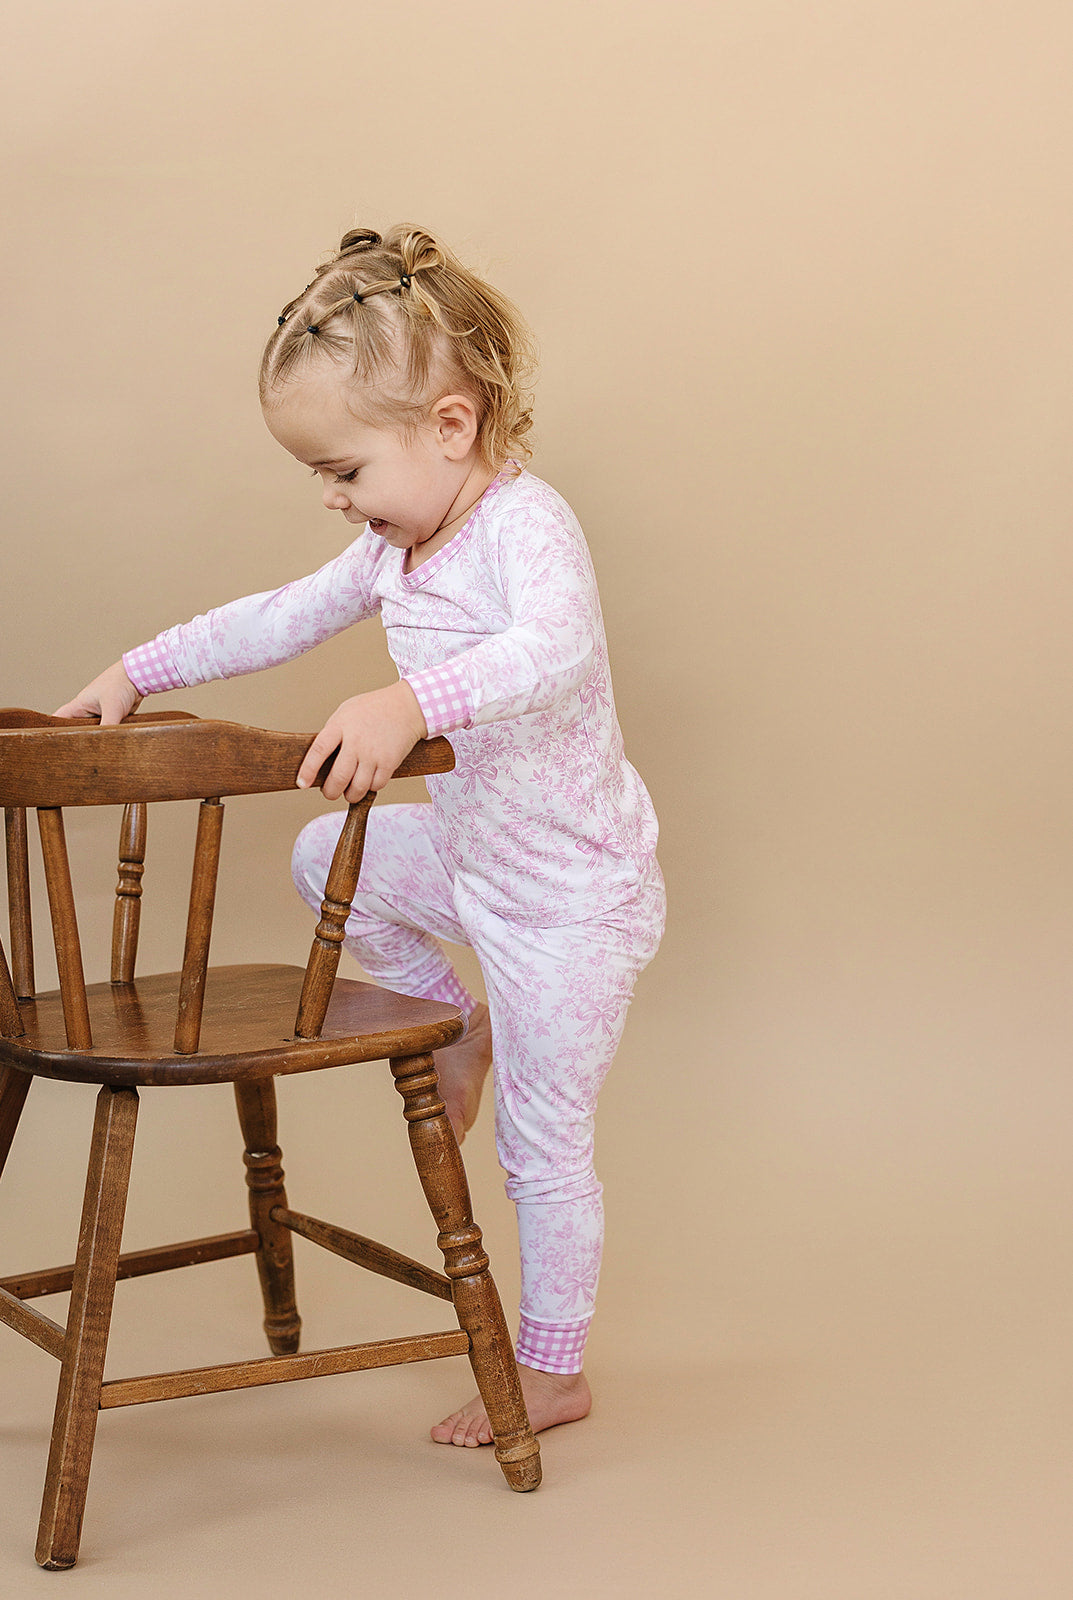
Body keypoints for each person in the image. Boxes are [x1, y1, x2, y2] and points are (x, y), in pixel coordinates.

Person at [56, 225, 665, 1448]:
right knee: (320, 861)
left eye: (344, 469)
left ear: (450, 426)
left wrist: (408, 703)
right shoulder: (395, 548)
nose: (334, 497)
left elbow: (554, 650)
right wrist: (139, 667)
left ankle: (553, 1367)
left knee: (543, 1144)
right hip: (471, 858)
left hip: (572, 895)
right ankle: (452, 1021)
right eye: (320, 476)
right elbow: (279, 616)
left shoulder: (526, 526)